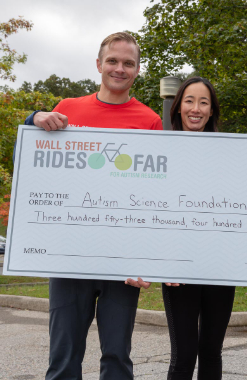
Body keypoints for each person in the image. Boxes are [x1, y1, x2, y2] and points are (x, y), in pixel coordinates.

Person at [23, 32, 161, 380]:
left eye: (128, 63)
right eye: (112, 61)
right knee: (63, 357)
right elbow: (33, 155)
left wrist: (147, 256)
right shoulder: (68, 109)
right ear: (99, 65)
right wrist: (34, 118)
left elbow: (157, 195)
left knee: (117, 356)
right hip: (69, 255)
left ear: (137, 70)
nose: (119, 68)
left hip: (121, 259)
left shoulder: (150, 120)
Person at [162, 77, 235, 380]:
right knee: (184, 355)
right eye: (189, 101)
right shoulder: (161, 151)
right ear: (178, 107)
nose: (196, 108)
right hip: (179, 270)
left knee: (211, 351)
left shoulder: (231, 154)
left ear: (212, 110)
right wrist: (163, 259)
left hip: (220, 267)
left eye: (203, 102)